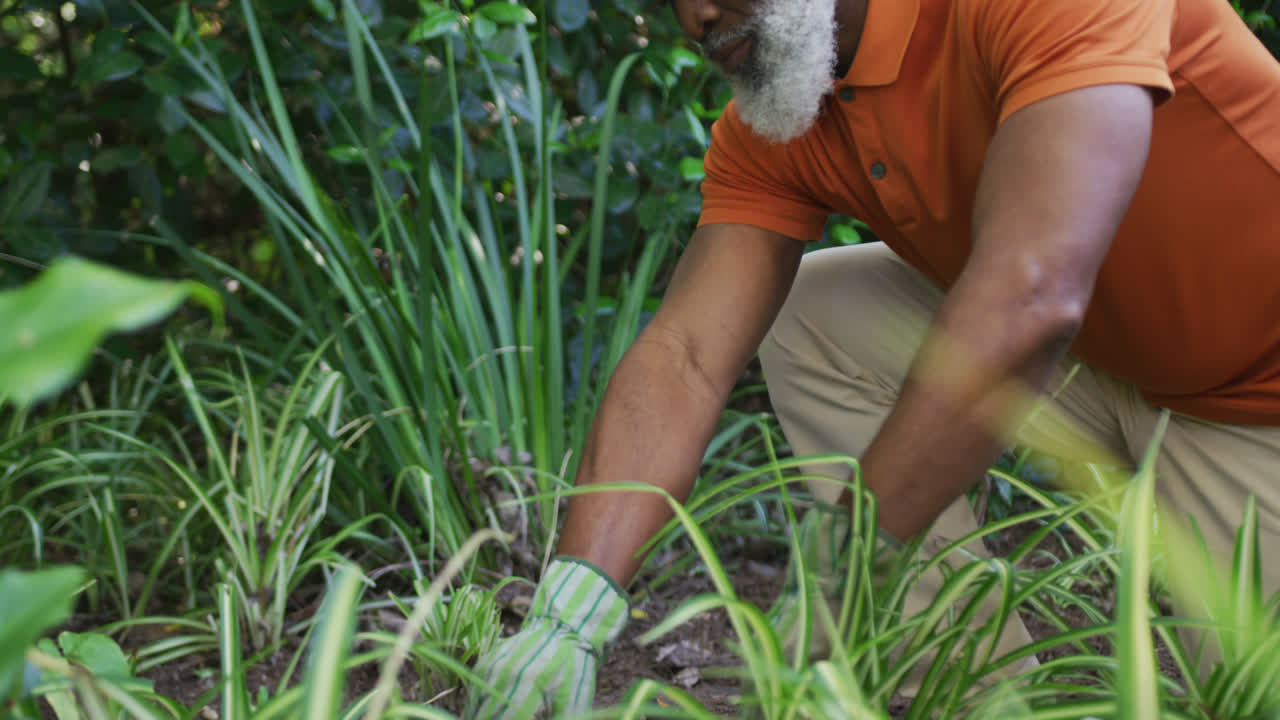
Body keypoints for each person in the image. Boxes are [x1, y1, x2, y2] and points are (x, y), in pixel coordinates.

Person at [465, 0, 1280, 715]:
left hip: (1256, 397)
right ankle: (981, 696)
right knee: (813, 315)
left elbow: (1033, 293)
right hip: (1105, 358)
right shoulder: (789, 116)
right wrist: (568, 613)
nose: (693, 17)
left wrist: (837, 581)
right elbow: (685, 355)